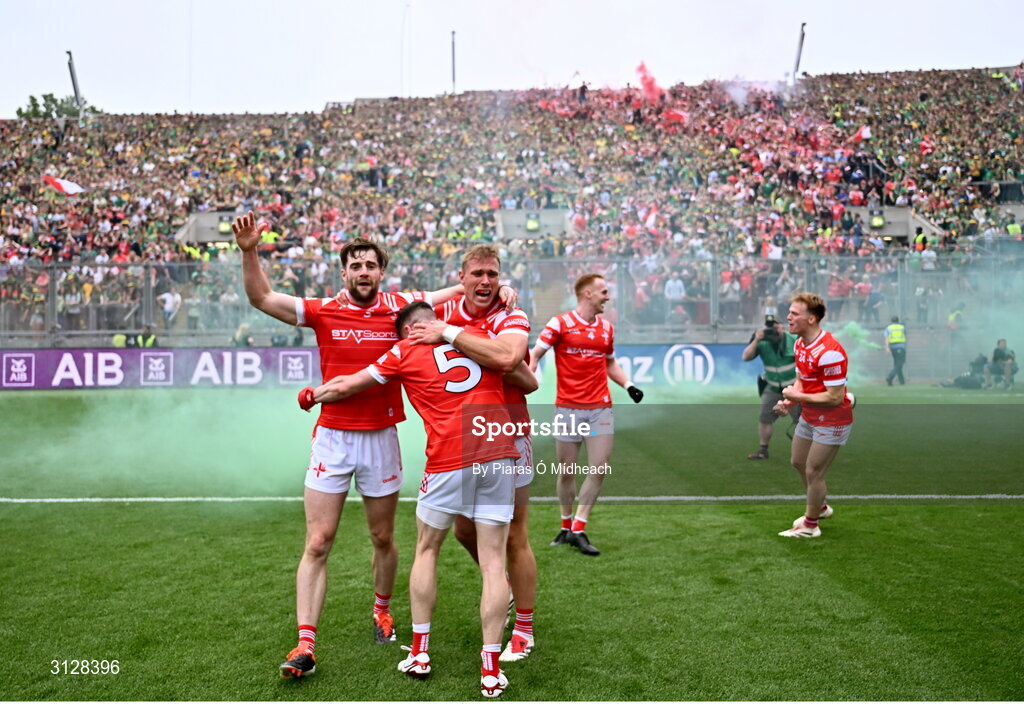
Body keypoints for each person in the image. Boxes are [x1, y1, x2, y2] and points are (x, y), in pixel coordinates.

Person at [231, 211, 466, 679]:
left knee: (382, 537)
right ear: (344, 272)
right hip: (332, 440)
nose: (363, 273)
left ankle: (382, 608)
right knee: (318, 542)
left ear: (382, 272)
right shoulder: (321, 310)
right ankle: (305, 644)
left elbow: (458, 293)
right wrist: (249, 250)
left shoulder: (402, 306)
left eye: (370, 266)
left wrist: (498, 291)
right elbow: (261, 296)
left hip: (381, 437)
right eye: (355, 265)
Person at [300, 301, 536, 698]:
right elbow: (528, 381)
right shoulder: (478, 340)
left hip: (448, 456)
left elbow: (346, 385)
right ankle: (491, 670)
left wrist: (312, 394)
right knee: (494, 564)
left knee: (427, 550)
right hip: (499, 452)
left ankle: (421, 654)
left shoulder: (404, 350)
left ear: (408, 331)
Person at [407, 244, 537, 663]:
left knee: (515, 535)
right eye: (477, 274)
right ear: (461, 277)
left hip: (509, 435)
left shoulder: (509, 314)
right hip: (462, 441)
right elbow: (413, 305)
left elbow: (512, 361)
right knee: (464, 533)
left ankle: (525, 628)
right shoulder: (443, 312)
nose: (486, 282)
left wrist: (452, 336)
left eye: (493, 275)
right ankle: (503, 588)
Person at [528, 273, 644, 556]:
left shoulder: (606, 329)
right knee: (566, 472)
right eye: (604, 291)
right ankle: (566, 525)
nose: (608, 296)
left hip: (600, 408)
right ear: (587, 294)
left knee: (599, 469)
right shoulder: (560, 323)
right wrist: (524, 380)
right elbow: (535, 354)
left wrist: (628, 385)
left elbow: (610, 363)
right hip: (567, 408)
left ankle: (579, 528)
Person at [773, 292, 854, 539]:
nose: (788, 317)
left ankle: (810, 526)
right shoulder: (799, 343)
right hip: (809, 415)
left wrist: (797, 398)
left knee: (813, 471)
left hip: (833, 419)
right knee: (798, 461)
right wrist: (789, 401)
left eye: (794, 313)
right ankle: (820, 507)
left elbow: (834, 397)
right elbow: (802, 380)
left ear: (811, 319)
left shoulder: (830, 352)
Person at [741, 314, 800, 460]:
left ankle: (804, 451)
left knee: (802, 421)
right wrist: (756, 339)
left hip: (794, 387)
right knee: (764, 418)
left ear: (782, 326)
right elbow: (746, 357)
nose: (773, 330)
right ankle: (763, 450)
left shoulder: (794, 339)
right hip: (772, 387)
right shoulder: (762, 341)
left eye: (776, 326)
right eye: (769, 327)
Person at [884, 316, 907, 386]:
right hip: (900, 347)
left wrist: (887, 347)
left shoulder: (888, 328)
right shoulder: (902, 327)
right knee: (899, 364)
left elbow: (886, 338)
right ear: (898, 321)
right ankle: (890, 377)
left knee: (897, 364)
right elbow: (905, 334)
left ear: (891, 321)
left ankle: (902, 381)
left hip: (892, 348)